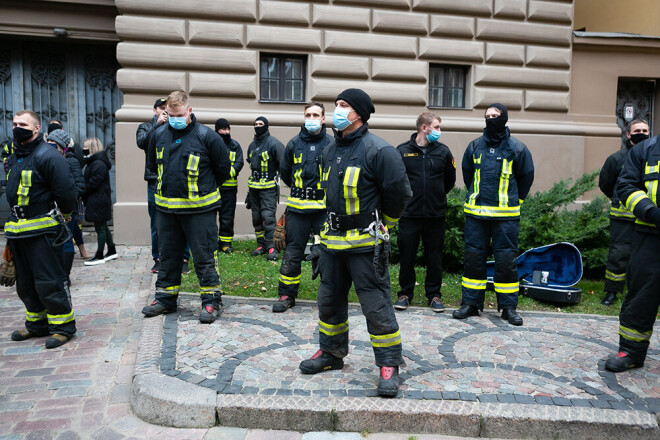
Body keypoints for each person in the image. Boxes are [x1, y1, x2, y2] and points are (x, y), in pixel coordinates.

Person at [298, 89, 412, 398]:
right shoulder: (329, 149)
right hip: (333, 245)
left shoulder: (379, 150)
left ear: (358, 114)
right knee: (328, 301)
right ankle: (331, 354)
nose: (336, 110)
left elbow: (399, 195)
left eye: (343, 105)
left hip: (366, 246)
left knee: (376, 306)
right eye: (336, 105)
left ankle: (389, 365)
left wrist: (384, 223)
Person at [142, 91, 230, 323]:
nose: (175, 119)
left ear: (189, 111)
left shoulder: (207, 137)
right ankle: (165, 299)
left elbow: (222, 169)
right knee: (168, 257)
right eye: (170, 115)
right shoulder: (157, 135)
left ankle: (211, 301)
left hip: (200, 212)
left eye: (179, 114)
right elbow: (152, 166)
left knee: (204, 257)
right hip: (166, 212)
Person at [453, 103, 534, 326]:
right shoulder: (474, 146)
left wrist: (515, 201)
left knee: (506, 262)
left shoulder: (517, 148)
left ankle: (508, 308)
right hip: (476, 215)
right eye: (487, 116)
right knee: (473, 260)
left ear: (504, 118)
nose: (490, 119)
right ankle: (470, 304)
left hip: (506, 217)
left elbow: (526, 177)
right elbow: (468, 174)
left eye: (495, 116)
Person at [5, 110, 77, 348]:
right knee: (25, 283)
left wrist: (66, 215)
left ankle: (63, 327)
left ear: (37, 129)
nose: (17, 127)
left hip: (43, 231)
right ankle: (37, 324)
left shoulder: (48, 155)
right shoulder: (15, 156)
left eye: (23, 124)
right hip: (19, 231)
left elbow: (66, 192)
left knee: (49, 281)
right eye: (15, 123)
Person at [605, 132, 659, 372]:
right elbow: (626, 185)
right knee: (641, 297)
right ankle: (631, 351)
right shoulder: (644, 150)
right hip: (650, 235)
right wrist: (650, 211)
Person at [273, 102, 332, 313]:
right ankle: (286, 294)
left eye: (316, 115)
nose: (312, 118)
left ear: (323, 119)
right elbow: (286, 173)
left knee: (328, 253)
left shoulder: (332, 144)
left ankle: (330, 296)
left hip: (323, 211)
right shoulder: (293, 144)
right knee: (292, 253)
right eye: (308, 114)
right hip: (297, 211)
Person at [394, 112, 456, 313]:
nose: (439, 131)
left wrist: (436, 196)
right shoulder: (402, 151)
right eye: (436, 127)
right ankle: (405, 293)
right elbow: (396, 181)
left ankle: (434, 295)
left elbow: (449, 181)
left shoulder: (443, 152)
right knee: (407, 256)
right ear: (424, 127)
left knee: (434, 257)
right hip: (409, 215)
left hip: (435, 215)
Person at [598, 119, 650, 306]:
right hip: (622, 218)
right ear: (628, 134)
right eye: (637, 130)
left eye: (645, 130)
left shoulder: (654, 157)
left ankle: (640, 294)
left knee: (644, 257)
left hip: (649, 218)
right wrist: (621, 199)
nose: (642, 133)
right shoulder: (616, 159)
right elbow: (605, 184)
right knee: (618, 256)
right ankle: (612, 292)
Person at [136, 98, 191, 274]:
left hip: (177, 180)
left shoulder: (175, 125)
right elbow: (142, 143)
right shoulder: (146, 127)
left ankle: (183, 258)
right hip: (155, 180)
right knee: (157, 223)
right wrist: (157, 125)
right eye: (160, 108)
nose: (163, 111)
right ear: (154, 111)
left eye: (165, 108)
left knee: (183, 218)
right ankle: (158, 258)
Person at [47, 129, 86, 282]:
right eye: (48, 143)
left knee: (66, 241)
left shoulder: (71, 161)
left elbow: (80, 186)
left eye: (54, 144)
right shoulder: (46, 160)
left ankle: (65, 277)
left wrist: (67, 201)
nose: (50, 146)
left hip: (67, 209)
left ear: (62, 147)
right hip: (51, 210)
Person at [246, 116, 284, 261]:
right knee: (256, 218)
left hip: (268, 188)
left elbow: (283, 165)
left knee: (268, 218)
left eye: (261, 124)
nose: (258, 126)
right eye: (255, 124)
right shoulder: (252, 145)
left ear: (266, 126)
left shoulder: (274, 144)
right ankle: (260, 245)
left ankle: (271, 247)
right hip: (254, 188)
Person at [81, 138, 117, 265]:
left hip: (98, 200)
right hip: (98, 199)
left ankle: (100, 254)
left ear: (91, 147)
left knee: (100, 227)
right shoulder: (95, 162)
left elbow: (93, 183)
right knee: (103, 226)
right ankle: (112, 249)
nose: (83, 148)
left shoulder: (98, 164)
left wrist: (83, 191)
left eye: (85, 146)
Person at [214, 118, 244, 253]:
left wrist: (228, 173)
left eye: (227, 129)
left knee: (227, 216)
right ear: (217, 130)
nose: (226, 132)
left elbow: (239, 162)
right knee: (210, 217)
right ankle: (212, 242)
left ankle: (226, 243)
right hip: (213, 188)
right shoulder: (212, 144)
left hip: (230, 189)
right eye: (223, 129)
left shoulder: (235, 146)